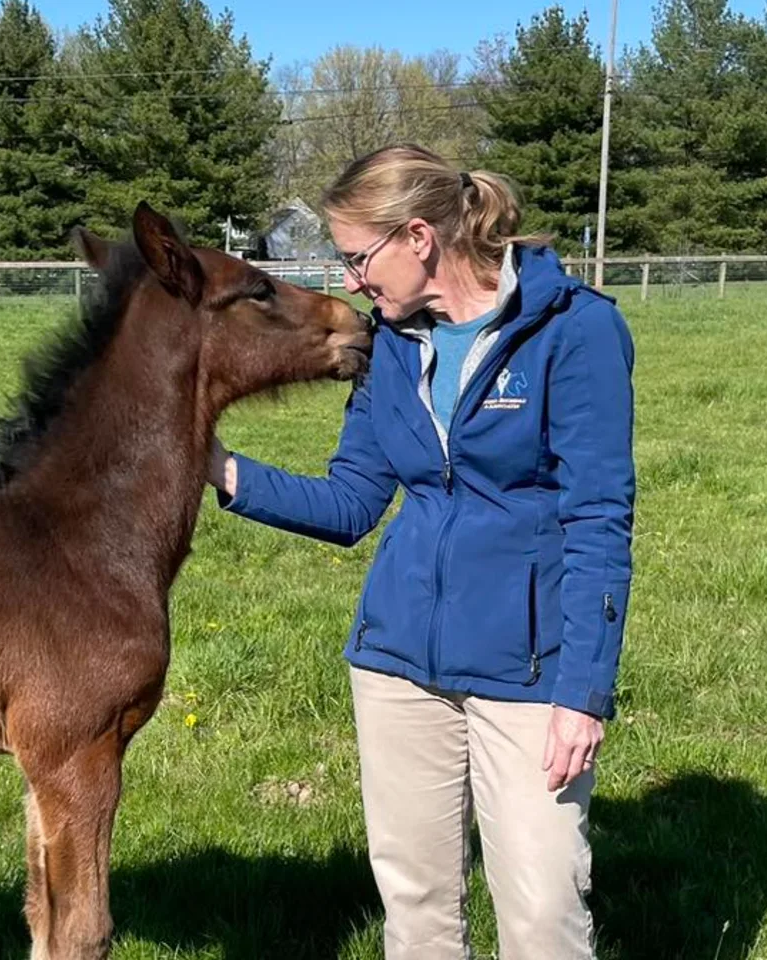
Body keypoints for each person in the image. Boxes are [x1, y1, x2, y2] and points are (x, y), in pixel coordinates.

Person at [208, 144, 635, 960]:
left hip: (530, 675)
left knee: (544, 914)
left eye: (355, 258)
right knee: (417, 915)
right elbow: (350, 504)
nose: (348, 282)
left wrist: (583, 690)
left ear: (417, 238)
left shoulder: (576, 332)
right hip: (397, 664)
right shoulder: (391, 346)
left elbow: (599, 522)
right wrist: (219, 468)